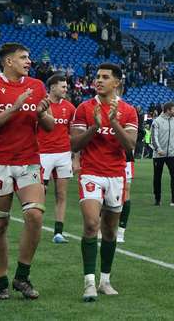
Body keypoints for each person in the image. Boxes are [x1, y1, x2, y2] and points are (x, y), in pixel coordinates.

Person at [0, 43, 54, 300]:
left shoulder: (37, 86)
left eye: (29, 57)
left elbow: (50, 126)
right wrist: (14, 108)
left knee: (35, 215)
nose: (28, 61)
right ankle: (0, 282)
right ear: (9, 62)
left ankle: (22, 276)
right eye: (23, 57)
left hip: (29, 160)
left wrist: (41, 114)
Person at [70, 63, 138, 302]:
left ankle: (105, 280)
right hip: (91, 172)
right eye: (97, 76)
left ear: (116, 82)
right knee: (91, 224)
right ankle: (89, 282)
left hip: (116, 175)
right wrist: (95, 127)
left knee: (109, 230)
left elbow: (130, 145)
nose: (98, 80)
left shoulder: (129, 111)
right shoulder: (84, 108)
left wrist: (113, 122)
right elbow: (75, 144)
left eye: (105, 77)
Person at [37, 73, 76, 244]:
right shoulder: (41, 105)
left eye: (66, 87)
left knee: (61, 194)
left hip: (63, 154)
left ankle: (58, 232)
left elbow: (74, 134)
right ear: (52, 87)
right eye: (63, 86)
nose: (66, 89)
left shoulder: (70, 108)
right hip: (43, 153)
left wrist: (76, 158)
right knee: (40, 194)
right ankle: (35, 227)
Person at [151, 102, 174, 207]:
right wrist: (158, 149)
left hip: (172, 153)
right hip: (159, 154)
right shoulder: (157, 122)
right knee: (157, 177)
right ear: (168, 110)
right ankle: (157, 198)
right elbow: (153, 137)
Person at [118, 87, 137, 243]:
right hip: (102, 159)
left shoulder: (128, 111)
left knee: (125, 192)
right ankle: (99, 227)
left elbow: (132, 140)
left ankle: (121, 230)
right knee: (102, 195)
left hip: (125, 158)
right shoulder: (94, 108)